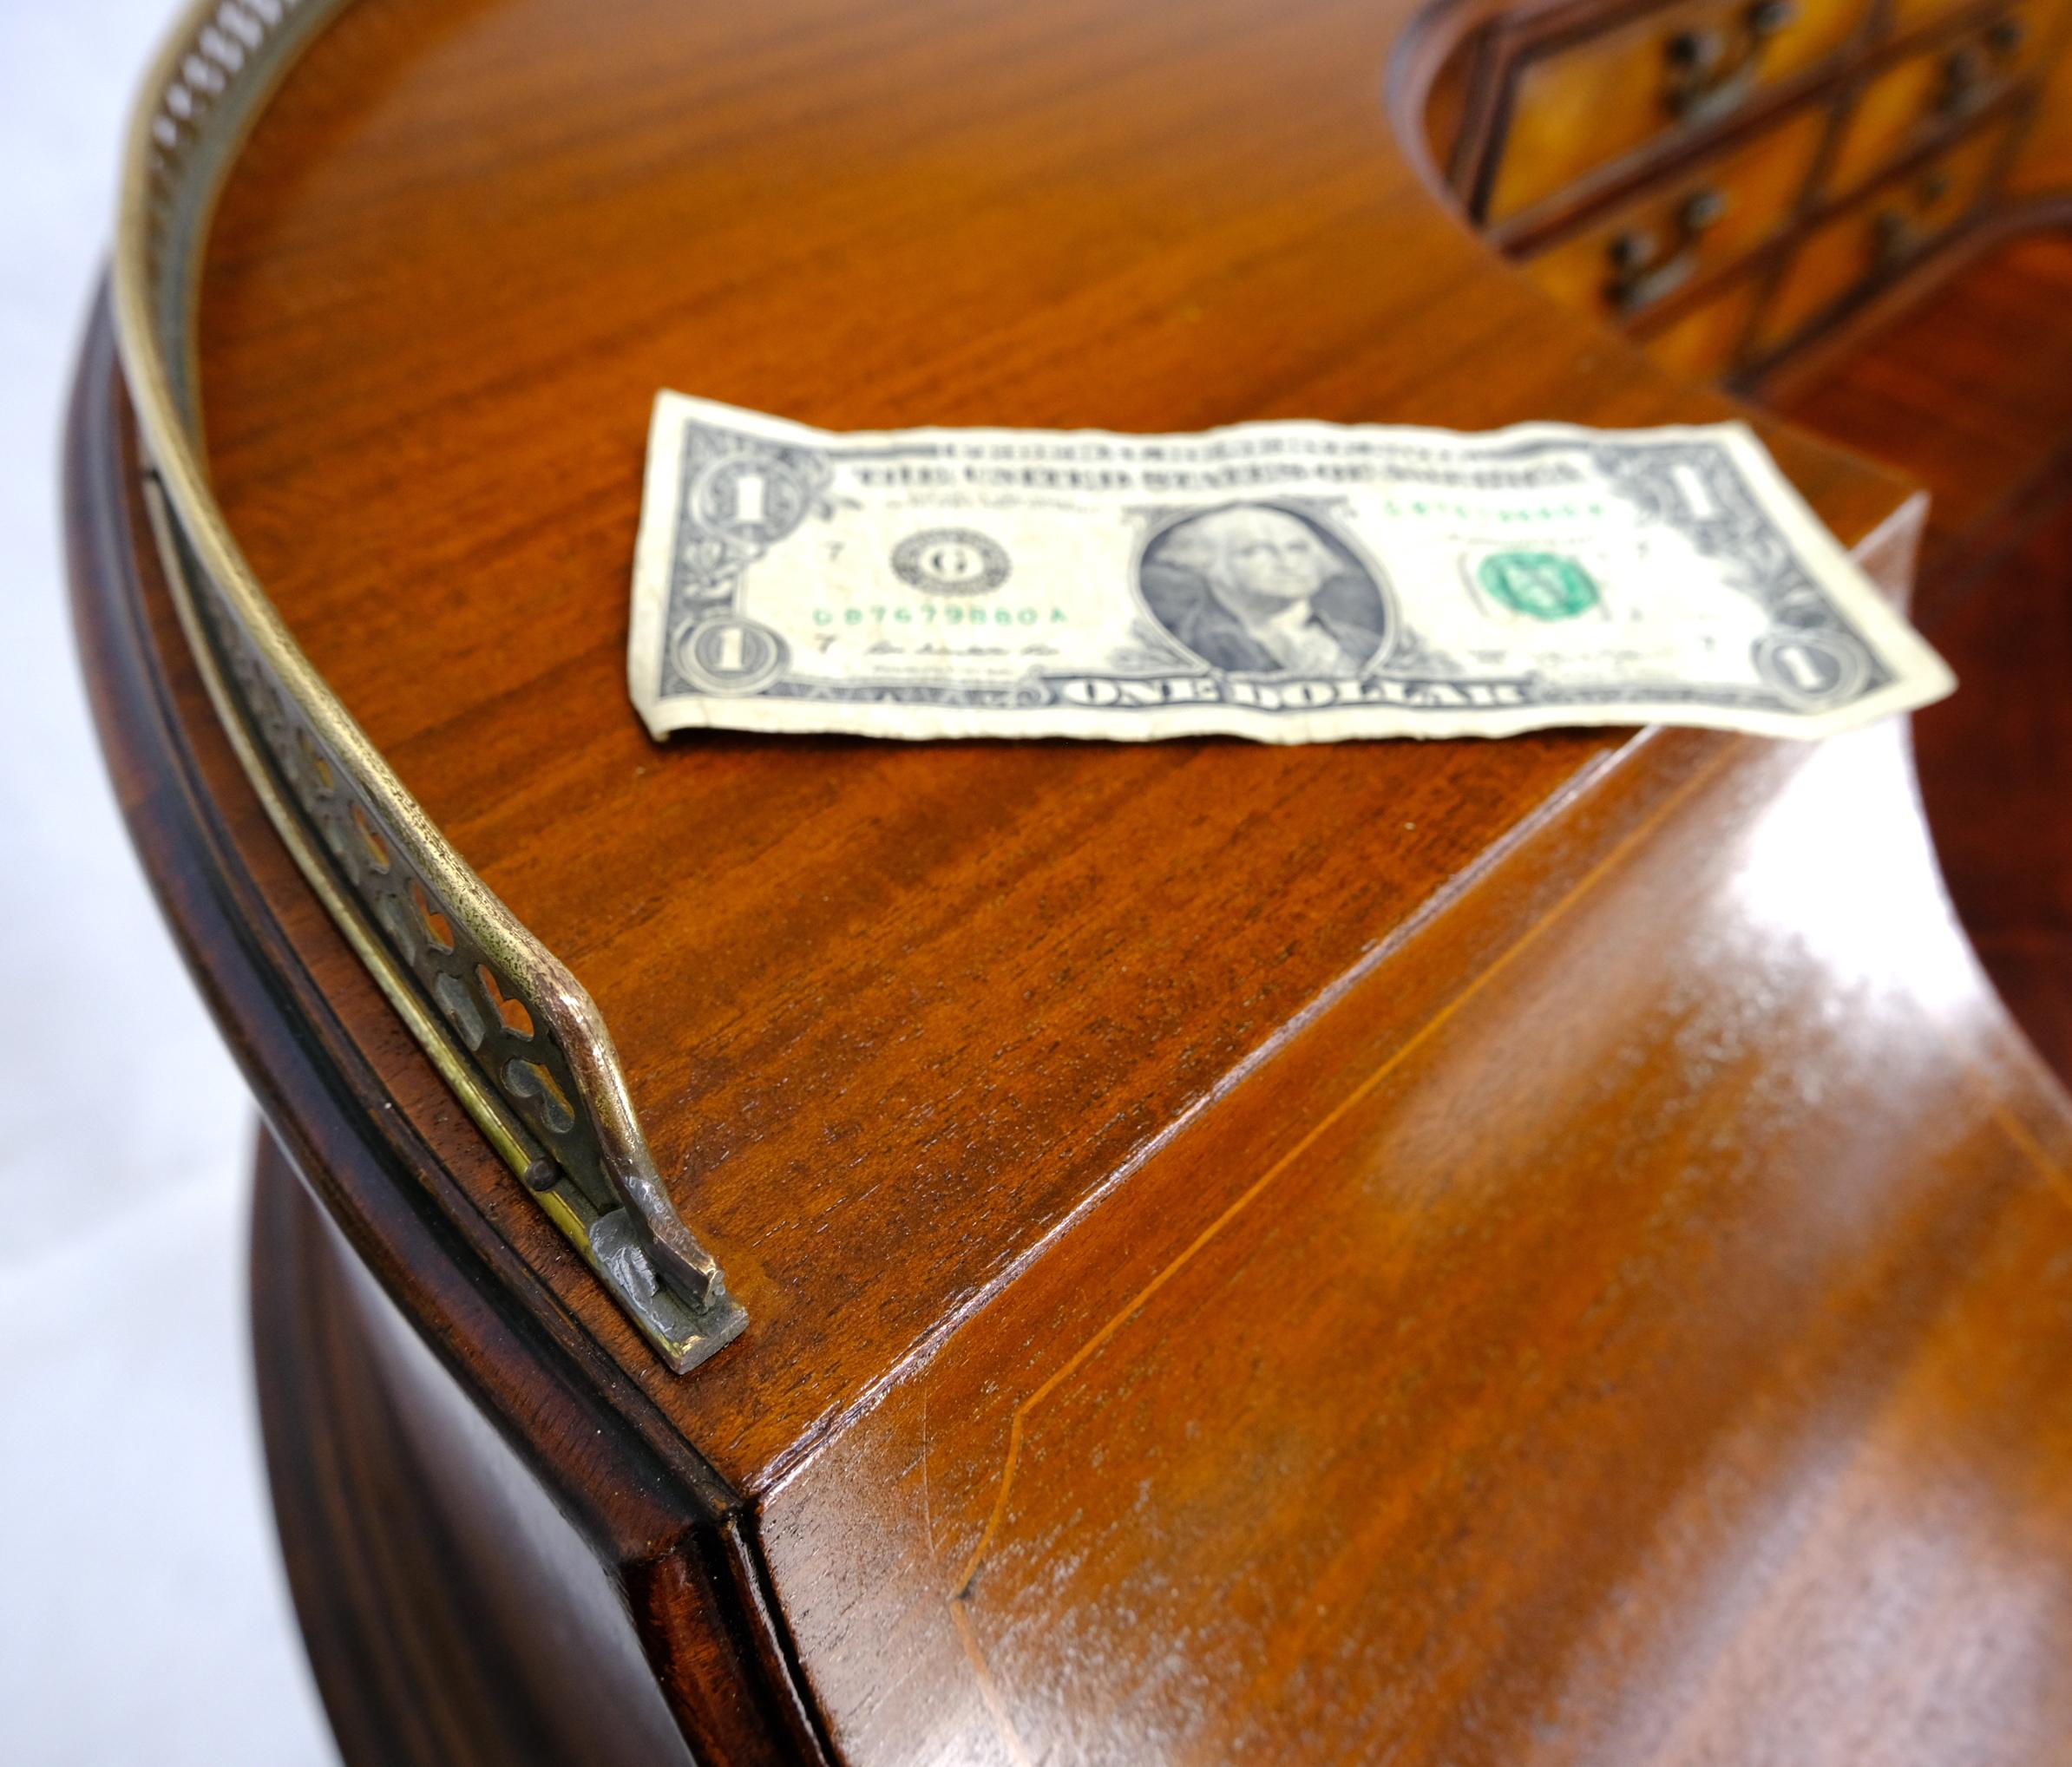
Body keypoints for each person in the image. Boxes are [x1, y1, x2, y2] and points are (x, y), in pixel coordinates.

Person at [1140, 504, 1387, 675]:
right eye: (1256, 550)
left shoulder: (1367, 645)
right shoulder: (1184, 645)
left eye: (1297, 548)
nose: (1286, 562)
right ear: (1207, 565)